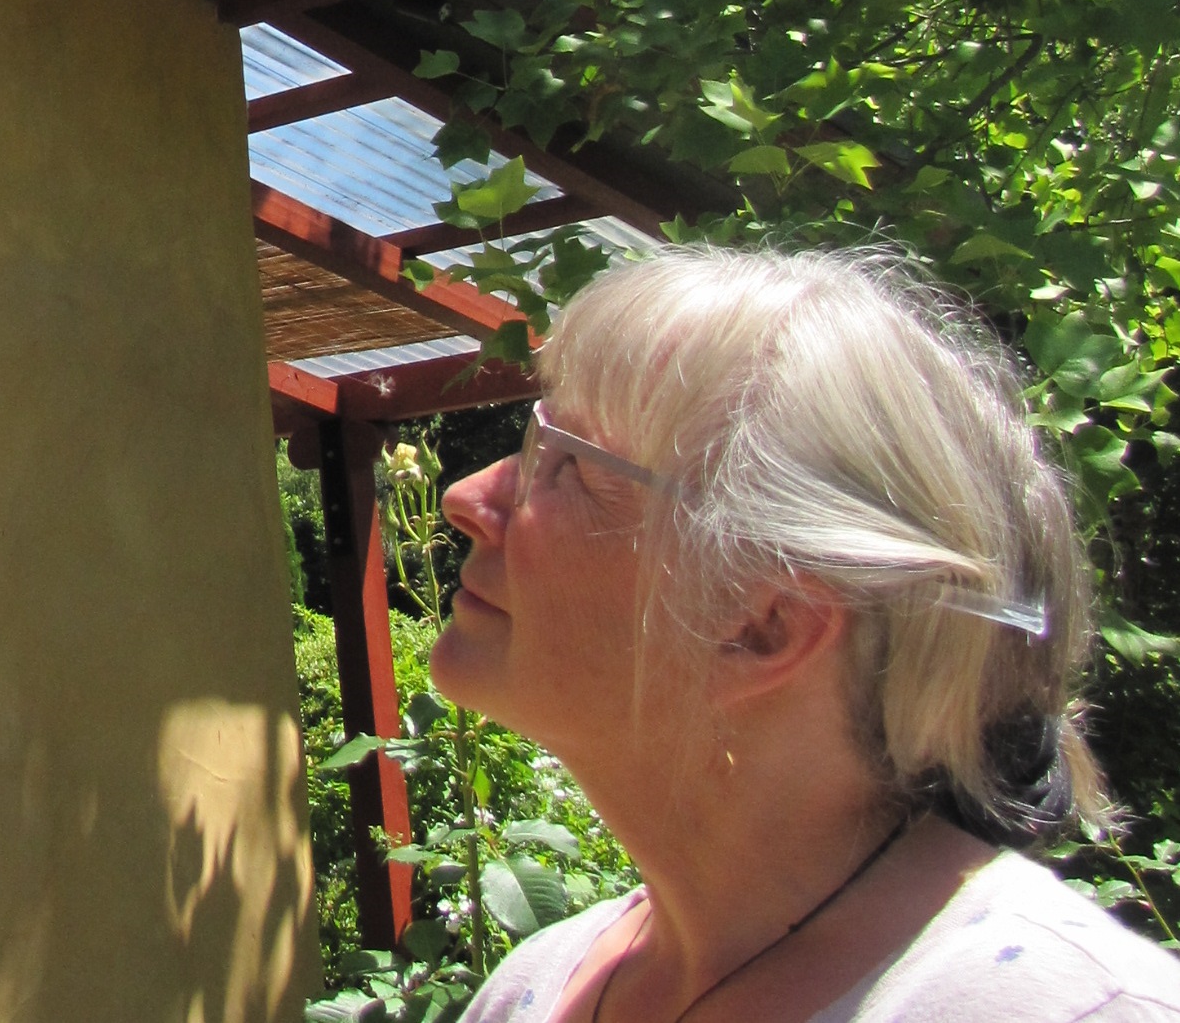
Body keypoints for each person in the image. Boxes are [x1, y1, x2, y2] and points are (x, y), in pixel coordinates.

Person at [439, 247, 1180, 1023]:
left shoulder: (1059, 1009)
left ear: (765, 625)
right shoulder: (532, 989)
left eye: (567, 464)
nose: (465, 495)